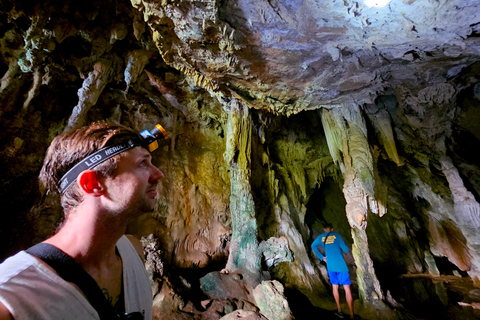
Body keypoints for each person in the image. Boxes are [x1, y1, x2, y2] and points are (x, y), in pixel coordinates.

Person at [0, 121, 166, 320]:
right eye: (142, 163)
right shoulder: (11, 296)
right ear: (92, 183)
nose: (158, 174)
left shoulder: (133, 252)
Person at [311, 223, 355, 319]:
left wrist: (322, 258)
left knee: (335, 287)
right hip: (341, 265)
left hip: (330, 265)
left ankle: (339, 310)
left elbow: (313, 246)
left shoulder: (321, 237)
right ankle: (352, 315)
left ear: (324, 229)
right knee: (347, 288)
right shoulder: (337, 235)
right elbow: (345, 249)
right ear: (332, 228)